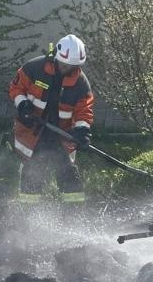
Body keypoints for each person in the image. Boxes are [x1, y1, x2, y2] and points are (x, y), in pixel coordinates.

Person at [8, 34, 94, 206]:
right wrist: (23, 104)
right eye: (64, 64)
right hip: (34, 131)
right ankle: (28, 215)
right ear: (55, 56)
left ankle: (73, 215)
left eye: (71, 65)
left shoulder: (80, 82)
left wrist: (82, 131)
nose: (66, 68)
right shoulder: (34, 68)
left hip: (61, 135)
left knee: (68, 174)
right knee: (32, 171)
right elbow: (16, 87)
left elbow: (84, 109)